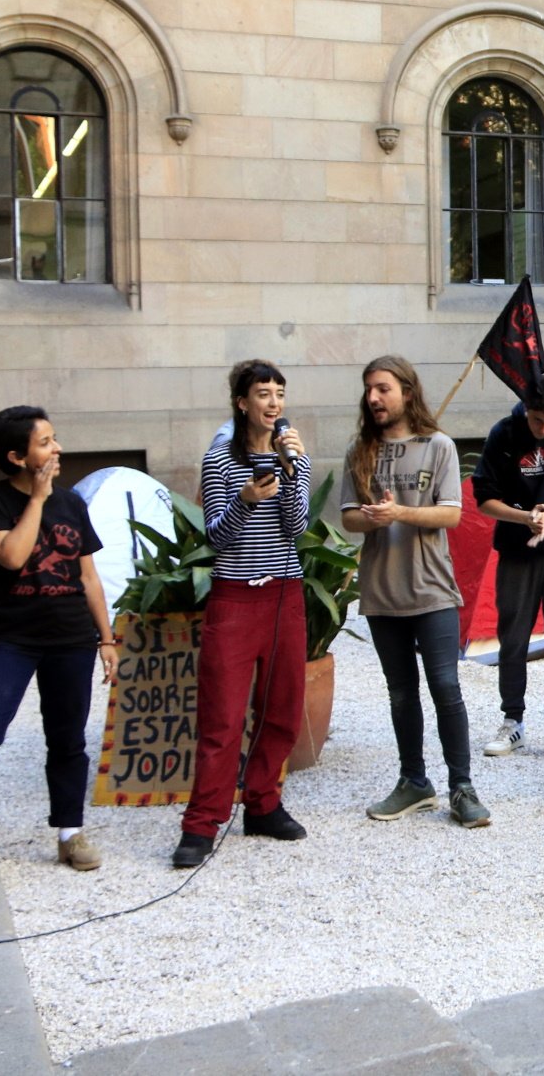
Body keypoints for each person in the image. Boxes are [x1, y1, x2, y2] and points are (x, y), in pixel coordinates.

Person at [0, 408, 119, 884]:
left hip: (70, 640)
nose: (57, 449)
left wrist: (106, 639)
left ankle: (69, 834)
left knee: (66, 741)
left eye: (54, 438)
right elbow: (13, 555)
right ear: (17, 456)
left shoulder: (72, 504)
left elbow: (88, 577)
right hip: (9, 640)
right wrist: (39, 499)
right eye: (46, 443)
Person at [339, 356, 489, 829]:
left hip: (431, 589)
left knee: (445, 687)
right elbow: (347, 517)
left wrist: (399, 513)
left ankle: (462, 788)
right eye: (368, 390)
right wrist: (373, 517)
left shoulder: (438, 445)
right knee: (401, 692)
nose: (374, 398)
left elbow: (450, 514)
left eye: (382, 388)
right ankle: (414, 783)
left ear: (406, 391)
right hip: (382, 592)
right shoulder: (361, 450)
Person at [176, 363, 314, 868]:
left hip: (284, 593)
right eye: (263, 394)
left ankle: (263, 804)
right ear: (241, 403)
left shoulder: (293, 457)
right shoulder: (220, 461)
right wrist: (245, 499)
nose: (274, 404)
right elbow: (217, 537)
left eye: (279, 394)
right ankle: (201, 823)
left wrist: (291, 468)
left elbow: (297, 525)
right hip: (236, 597)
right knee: (222, 716)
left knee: (281, 708)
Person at [471, 374, 544, 761]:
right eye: (538, 420)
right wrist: (523, 518)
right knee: (514, 638)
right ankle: (513, 721)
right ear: (525, 409)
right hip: (516, 549)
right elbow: (485, 498)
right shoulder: (503, 433)